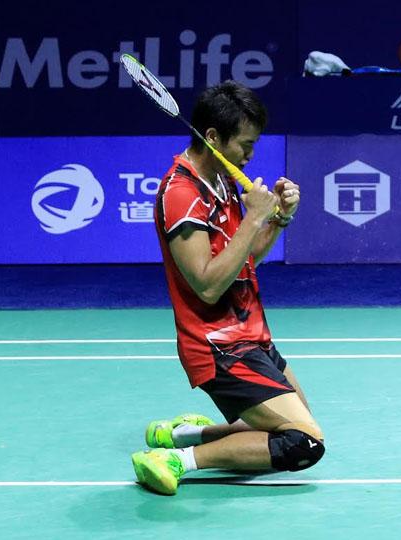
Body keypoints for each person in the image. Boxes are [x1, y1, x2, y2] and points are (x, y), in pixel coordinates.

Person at [130, 81, 324, 494]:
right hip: (218, 346)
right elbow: (207, 285)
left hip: (252, 335)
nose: (250, 156)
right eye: (245, 145)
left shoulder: (222, 181)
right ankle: (176, 459)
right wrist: (255, 217)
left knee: (294, 425)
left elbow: (246, 259)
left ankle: (184, 436)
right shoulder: (181, 194)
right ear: (213, 138)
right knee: (304, 443)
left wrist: (277, 219)